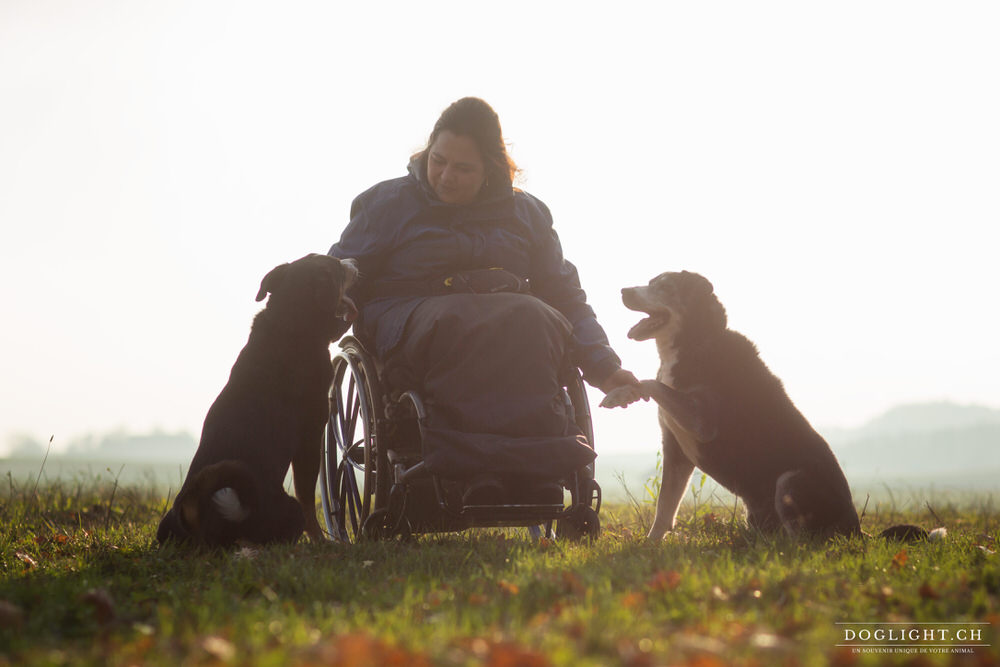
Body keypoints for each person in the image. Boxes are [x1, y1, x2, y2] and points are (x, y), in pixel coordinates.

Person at [328, 97, 637, 504]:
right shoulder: (387, 204)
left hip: (507, 316)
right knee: (463, 320)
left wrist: (605, 367)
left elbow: (564, 293)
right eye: (438, 160)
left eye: (462, 168)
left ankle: (538, 469)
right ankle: (473, 470)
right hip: (409, 317)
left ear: (491, 168)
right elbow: (340, 275)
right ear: (428, 150)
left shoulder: (526, 213)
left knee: (536, 317)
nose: (445, 176)